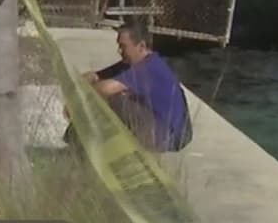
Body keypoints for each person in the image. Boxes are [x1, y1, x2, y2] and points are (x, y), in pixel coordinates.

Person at [65, 21, 193, 153]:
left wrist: (76, 101)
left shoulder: (150, 68)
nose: (119, 51)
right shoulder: (132, 64)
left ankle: (80, 148)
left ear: (141, 46)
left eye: (123, 46)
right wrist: (79, 85)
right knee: (105, 93)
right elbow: (95, 76)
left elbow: (105, 89)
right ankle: (78, 145)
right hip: (158, 126)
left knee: (111, 98)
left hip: (170, 136)